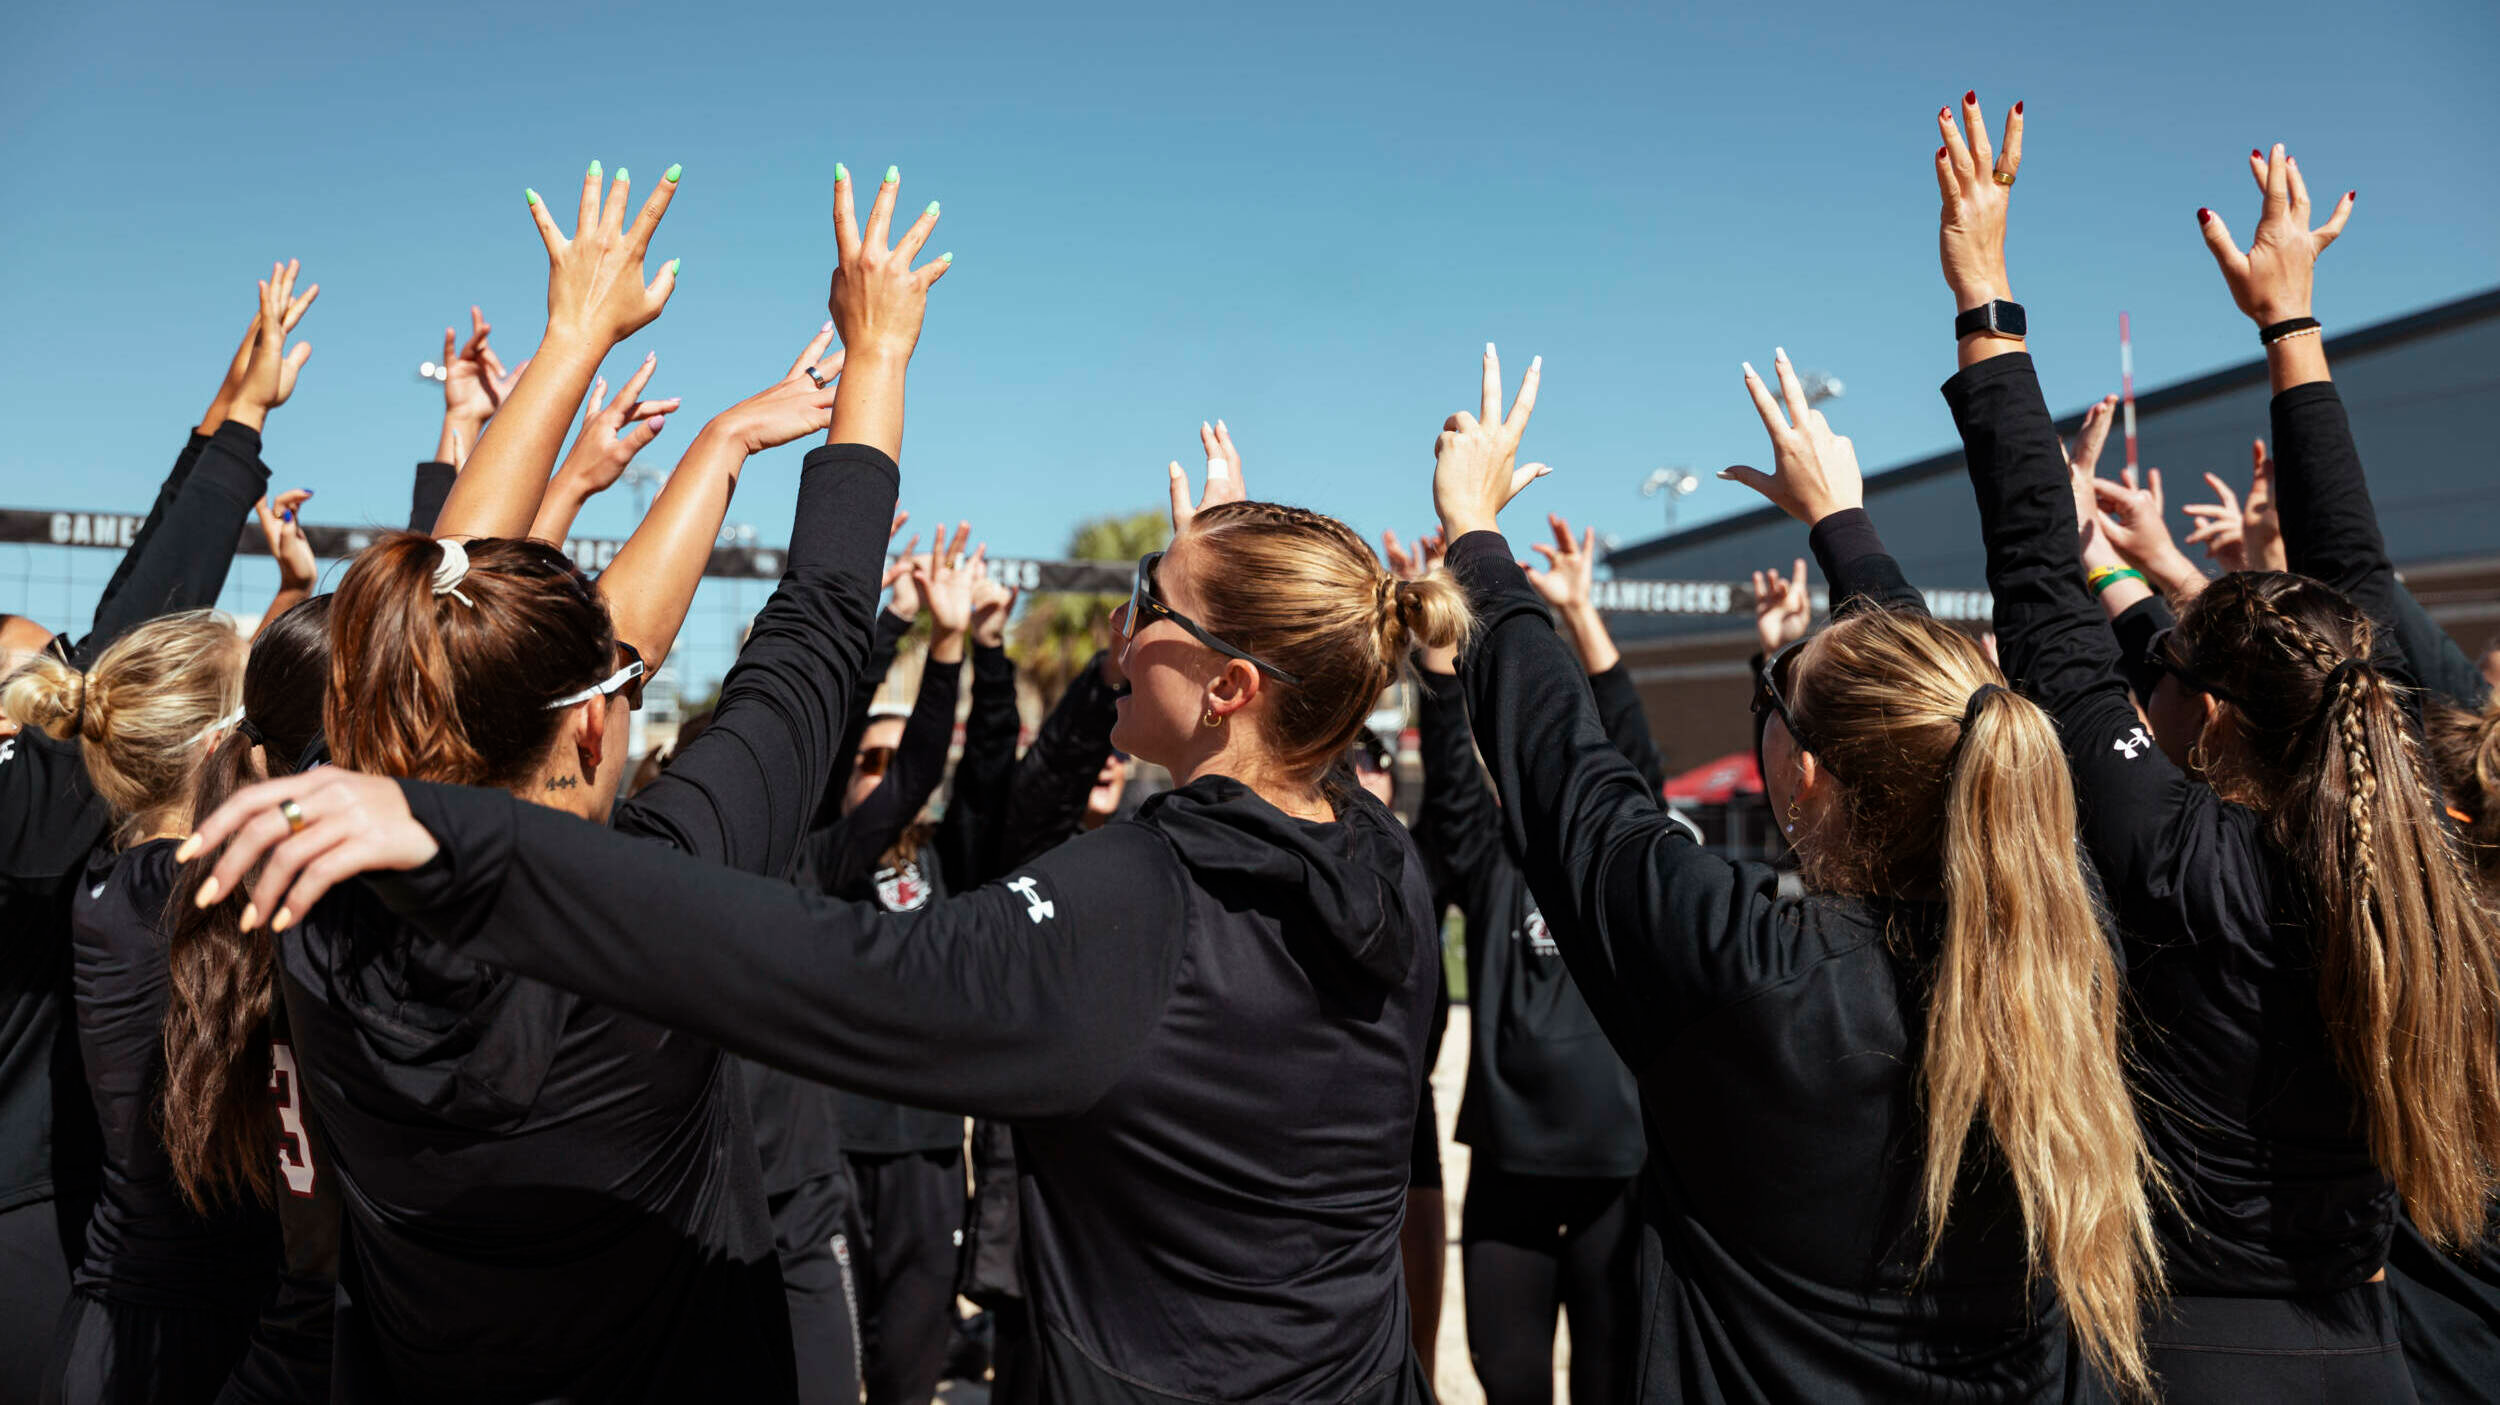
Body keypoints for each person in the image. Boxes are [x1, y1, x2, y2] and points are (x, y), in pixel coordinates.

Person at [180, 436, 1466, 1404]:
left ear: (1231, 683)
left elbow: (835, 967)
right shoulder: (1381, 865)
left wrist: (464, 841)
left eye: (1149, 604)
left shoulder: (1136, 899)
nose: (1122, 631)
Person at [169, 159, 940, 1402]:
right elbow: (823, 623)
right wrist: (878, 361)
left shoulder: (324, 888)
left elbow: (442, 624)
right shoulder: (660, 901)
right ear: (590, 737)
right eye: (619, 695)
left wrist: (577, 340)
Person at [1429, 334, 2164, 1400]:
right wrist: (1844, 528)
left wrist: (1477, 545)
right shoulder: (2065, 959)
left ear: (1806, 773)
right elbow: (1938, 719)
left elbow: (1568, 777)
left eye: (1773, 688)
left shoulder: (1755, 971)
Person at [1942, 98, 2500, 1398]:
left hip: (2188, 1351)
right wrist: (2288, 325)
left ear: (2215, 714)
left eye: (2172, 677)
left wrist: (1987, 295)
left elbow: (2048, 613)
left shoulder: (2189, 863)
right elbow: (2342, 582)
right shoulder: (2426, 851)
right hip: (2367, 1357)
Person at [0, 270, 308, 1402]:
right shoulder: (121, 876)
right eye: (32, 677)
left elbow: (123, 641)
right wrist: (235, 434)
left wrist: (227, 421)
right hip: (49, 1250)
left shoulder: (94, 881)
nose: (63, 687)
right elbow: (137, 631)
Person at [1404, 512, 1646, 1404]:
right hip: (1506, 1168)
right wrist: (1439, 642)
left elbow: (1631, 753)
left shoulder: (1621, 864)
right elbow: (1452, 770)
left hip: (1617, 1173)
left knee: (1609, 1383)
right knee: (1508, 1380)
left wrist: (1581, 613)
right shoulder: (1489, 855)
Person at [1, 608, 271, 1404]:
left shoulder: (110, 882)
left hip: (113, 1324)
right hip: (177, 1350)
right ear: (220, 746)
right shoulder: (187, 892)